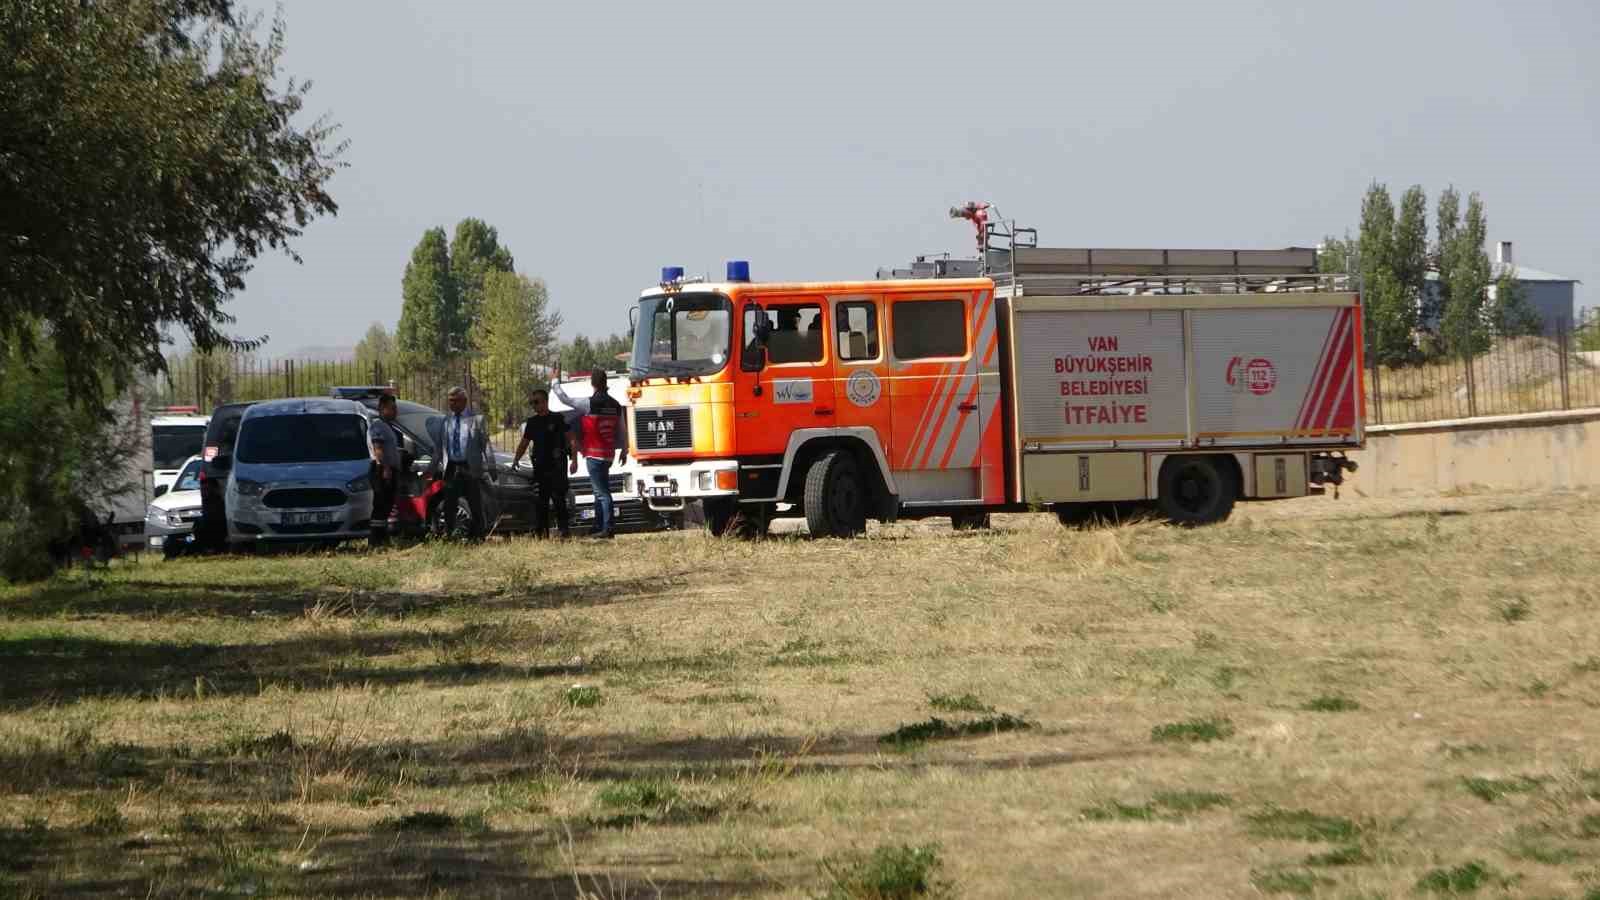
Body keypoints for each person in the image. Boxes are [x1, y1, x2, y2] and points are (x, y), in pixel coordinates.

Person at [554, 370, 627, 538]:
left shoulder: (589, 403)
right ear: (605, 382)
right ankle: (598, 525)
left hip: (594, 455)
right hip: (609, 455)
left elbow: (565, 399)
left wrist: (555, 383)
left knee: (602, 493)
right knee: (599, 491)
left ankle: (608, 529)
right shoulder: (615, 405)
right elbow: (622, 430)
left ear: (592, 384)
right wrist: (624, 450)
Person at [425, 386, 491, 540]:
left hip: (470, 467)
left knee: (475, 504)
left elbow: (485, 446)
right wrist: (430, 470)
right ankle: (450, 536)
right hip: (452, 467)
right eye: (450, 401)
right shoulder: (446, 421)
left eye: (455, 401)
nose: (452, 404)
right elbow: (439, 448)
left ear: (464, 401)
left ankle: (478, 537)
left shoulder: (476, 420)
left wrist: (490, 469)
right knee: (449, 504)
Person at [510, 388, 574, 539]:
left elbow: (571, 438)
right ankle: (542, 533)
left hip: (557, 466)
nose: (534, 405)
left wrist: (575, 459)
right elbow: (524, 443)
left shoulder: (558, 418)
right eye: (532, 403)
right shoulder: (532, 422)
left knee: (559, 500)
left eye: (536, 402)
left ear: (545, 402)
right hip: (541, 467)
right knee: (541, 501)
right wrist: (516, 459)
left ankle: (564, 532)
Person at [367, 393, 402, 548]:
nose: (395, 411)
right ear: (382, 408)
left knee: (387, 505)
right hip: (381, 470)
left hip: (389, 469)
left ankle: (383, 538)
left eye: (395, 408)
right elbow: (378, 448)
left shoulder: (388, 427)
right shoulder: (378, 425)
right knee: (381, 505)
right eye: (392, 408)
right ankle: (375, 540)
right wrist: (386, 468)